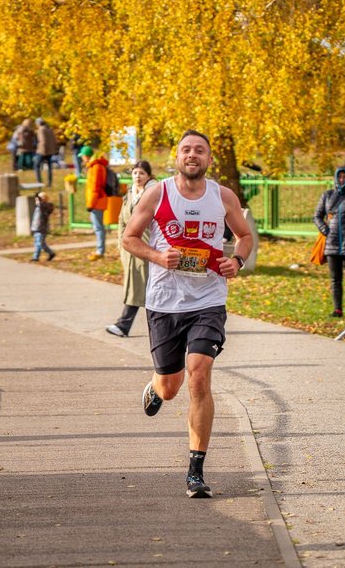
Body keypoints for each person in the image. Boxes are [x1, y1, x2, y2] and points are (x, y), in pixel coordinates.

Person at [122, 130, 252, 499]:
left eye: (200, 150)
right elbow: (130, 238)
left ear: (209, 159)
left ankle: (195, 470)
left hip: (208, 300)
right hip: (165, 301)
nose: (192, 155)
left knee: (199, 376)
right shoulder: (157, 193)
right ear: (176, 157)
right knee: (171, 386)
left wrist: (237, 260)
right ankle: (156, 385)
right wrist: (159, 256)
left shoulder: (222, 195)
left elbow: (244, 236)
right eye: (186, 149)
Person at [106, 160, 158, 337]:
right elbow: (122, 220)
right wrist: (122, 245)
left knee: (146, 289)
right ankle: (127, 325)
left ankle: (124, 325)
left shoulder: (153, 193)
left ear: (149, 176)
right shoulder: (129, 194)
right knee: (143, 288)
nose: (138, 176)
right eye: (135, 173)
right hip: (130, 249)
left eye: (142, 173)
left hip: (147, 248)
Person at [313, 166, 345, 318]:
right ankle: (337, 309)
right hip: (332, 244)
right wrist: (325, 230)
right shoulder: (328, 195)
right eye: (340, 177)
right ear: (336, 178)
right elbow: (317, 216)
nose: (342, 180)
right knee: (335, 279)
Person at [83, 146, 109, 260]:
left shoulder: (96, 167)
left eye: (83, 156)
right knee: (98, 227)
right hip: (96, 201)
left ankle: (100, 251)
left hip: (97, 201)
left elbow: (95, 187)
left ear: (87, 156)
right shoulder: (94, 166)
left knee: (98, 227)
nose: (82, 159)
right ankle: (100, 250)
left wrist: (90, 204)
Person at [30, 192, 56, 262]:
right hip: (36, 227)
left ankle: (36, 257)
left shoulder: (46, 206)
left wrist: (38, 199)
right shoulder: (39, 206)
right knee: (40, 243)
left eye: (41, 198)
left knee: (39, 243)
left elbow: (41, 205)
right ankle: (51, 253)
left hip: (42, 228)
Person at [35, 118, 57, 187]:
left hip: (43, 151)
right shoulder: (50, 129)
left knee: (36, 165)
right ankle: (49, 182)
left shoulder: (41, 130)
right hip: (50, 151)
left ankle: (39, 182)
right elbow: (54, 140)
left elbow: (43, 141)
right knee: (49, 167)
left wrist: (42, 151)